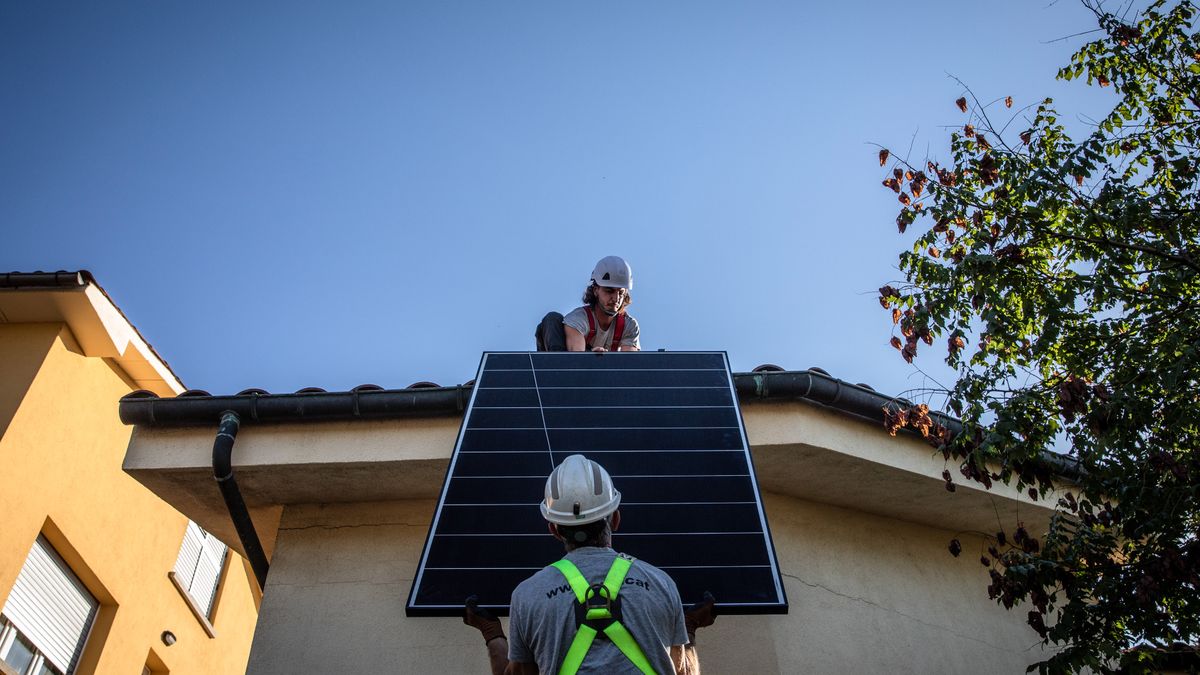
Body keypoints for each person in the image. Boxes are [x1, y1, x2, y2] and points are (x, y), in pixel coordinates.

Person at [463, 455, 716, 675]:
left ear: (553, 529)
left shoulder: (527, 596)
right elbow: (683, 671)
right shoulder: (662, 584)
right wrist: (688, 628)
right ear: (615, 519)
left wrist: (492, 633)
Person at [536, 256, 641, 352]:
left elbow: (629, 362)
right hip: (571, 366)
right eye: (609, 291)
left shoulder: (629, 326)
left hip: (609, 370)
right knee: (552, 319)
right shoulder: (577, 320)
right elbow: (578, 359)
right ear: (596, 290)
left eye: (621, 293)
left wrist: (605, 363)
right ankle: (555, 367)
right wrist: (592, 360)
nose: (616, 298)